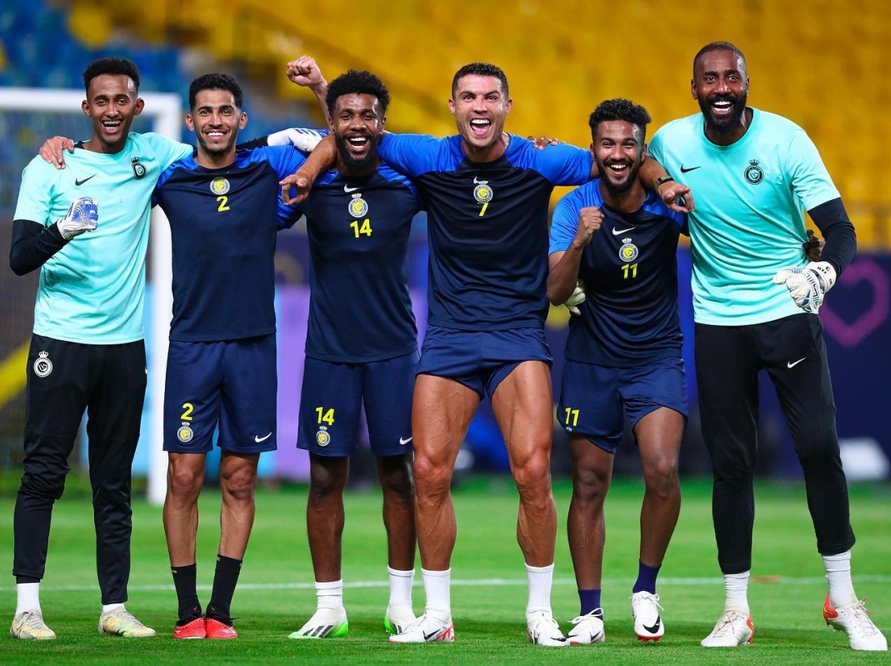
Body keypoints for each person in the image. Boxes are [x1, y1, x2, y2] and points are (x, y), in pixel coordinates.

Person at [283, 62, 690, 646]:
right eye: (469, 96)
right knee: (427, 472)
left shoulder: (539, 159)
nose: (480, 106)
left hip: (518, 335)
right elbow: (354, 134)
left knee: (532, 474)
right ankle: (438, 614)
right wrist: (309, 162)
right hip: (448, 337)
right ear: (452, 105)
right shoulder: (427, 155)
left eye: (491, 97)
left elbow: (618, 158)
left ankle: (540, 612)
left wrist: (663, 181)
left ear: (507, 104)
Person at [647, 41, 887, 651]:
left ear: (746, 83)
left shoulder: (785, 141)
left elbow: (839, 230)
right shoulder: (672, 142)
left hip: (787, 310)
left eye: (732, 77)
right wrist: (659, 180)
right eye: (710, 78)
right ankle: (735, 612)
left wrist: (823, 274)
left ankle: (844, 599)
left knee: (816, 449)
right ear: (693, 87)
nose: (721, 87)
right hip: (719, 322)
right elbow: (642, 165)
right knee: (730, 464)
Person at [8, 57, 192, 640]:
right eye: (101, 101)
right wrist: (61, 229)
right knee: (44, 473)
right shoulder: (49, 168)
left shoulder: (155, 155)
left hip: (123, 347)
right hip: (60, 341)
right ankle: (26, 608)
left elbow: (222, 159)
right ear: (86, 107)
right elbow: (18, 260)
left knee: (113, 482)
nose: (112, 110)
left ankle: (114, 607)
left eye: (123, 101)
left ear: (137, 107)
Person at [153, 73, 307, 640]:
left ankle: (220, 611)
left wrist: (299, 119)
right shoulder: (171, 182)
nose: (215, 120)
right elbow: (117, 163)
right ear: (190, 122)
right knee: (183, 476)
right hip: (193, 347)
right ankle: (186, 611)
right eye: (205, 112)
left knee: (240, 480)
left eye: (226, 111)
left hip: (253, 349)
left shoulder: (265, 175)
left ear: (242, 120)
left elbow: (339, 134)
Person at [279, 58, 418, 640]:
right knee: (323, 480)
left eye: (368, 114)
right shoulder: (313, 183)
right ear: (330, 123)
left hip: (391, 351)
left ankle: (401, 604)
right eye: (345, 115)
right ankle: (329, 604)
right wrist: (318, 97)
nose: (358, 124)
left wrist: (322, 92)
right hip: (330, 353)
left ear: (383, 123)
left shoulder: (408, 181)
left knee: (398, 477)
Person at [547, 99, 687, 645]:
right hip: (591, 360)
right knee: (587, 484)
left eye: (628, 144)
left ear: (642, 150)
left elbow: (718, 236)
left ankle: (646, 588)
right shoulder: (573, 207)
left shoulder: (666, 203)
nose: (618, 154)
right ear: (593, 150)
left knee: (662, 470)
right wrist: (581, 239)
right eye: (607, 144)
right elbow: (556, 294)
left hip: (655, 357)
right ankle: (590, 612)